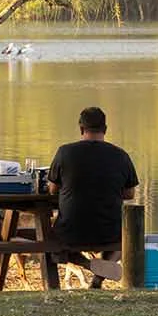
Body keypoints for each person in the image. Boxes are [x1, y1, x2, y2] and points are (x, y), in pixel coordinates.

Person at [44, 106, 139, 285]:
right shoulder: (120, 156)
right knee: (126, 238)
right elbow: (129, 193)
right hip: (109, 231)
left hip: (71, 231)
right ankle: (99, 275)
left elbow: (52, 190)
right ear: (105, 129)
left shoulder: (65, 152)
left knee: (51, 241)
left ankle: (88, 264)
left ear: (81, 129)